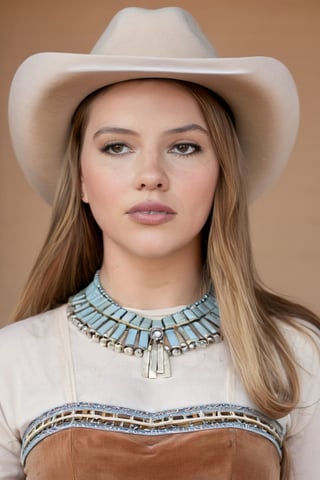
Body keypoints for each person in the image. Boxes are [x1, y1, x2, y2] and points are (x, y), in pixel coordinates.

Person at [1, 6, 319, 480]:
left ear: (222, 174)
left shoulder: (297, 355)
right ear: (82, 180)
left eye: (184, 147)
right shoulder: (12, 361)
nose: (150, 176)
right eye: (117, 147)